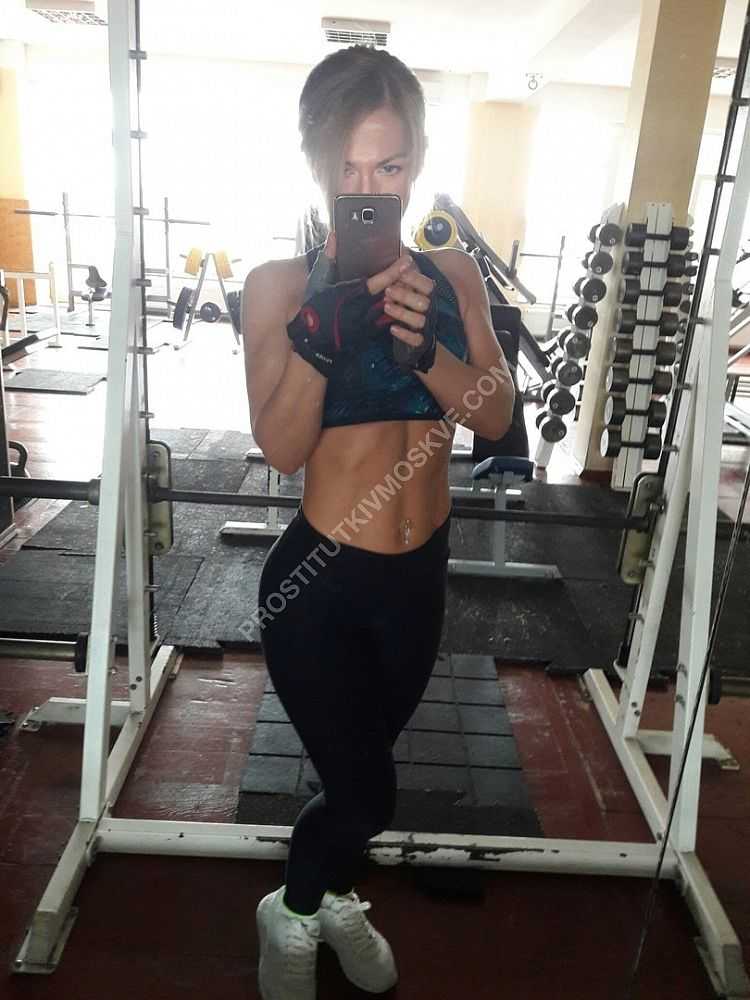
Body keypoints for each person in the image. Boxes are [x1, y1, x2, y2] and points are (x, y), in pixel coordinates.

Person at [242, 44, 515, 1000]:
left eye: (388, 166)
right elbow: (281, 449)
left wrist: (423, 347)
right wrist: (323, 341)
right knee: (368, 791)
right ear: (317, 166)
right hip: (318, 584)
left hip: (416, 581)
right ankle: (293, 908)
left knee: (357, 783)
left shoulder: (453, 276)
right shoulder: (279, 287)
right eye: (348, 168)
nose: (368, 188)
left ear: (417, 164)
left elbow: (495, 416)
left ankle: (321, 898)